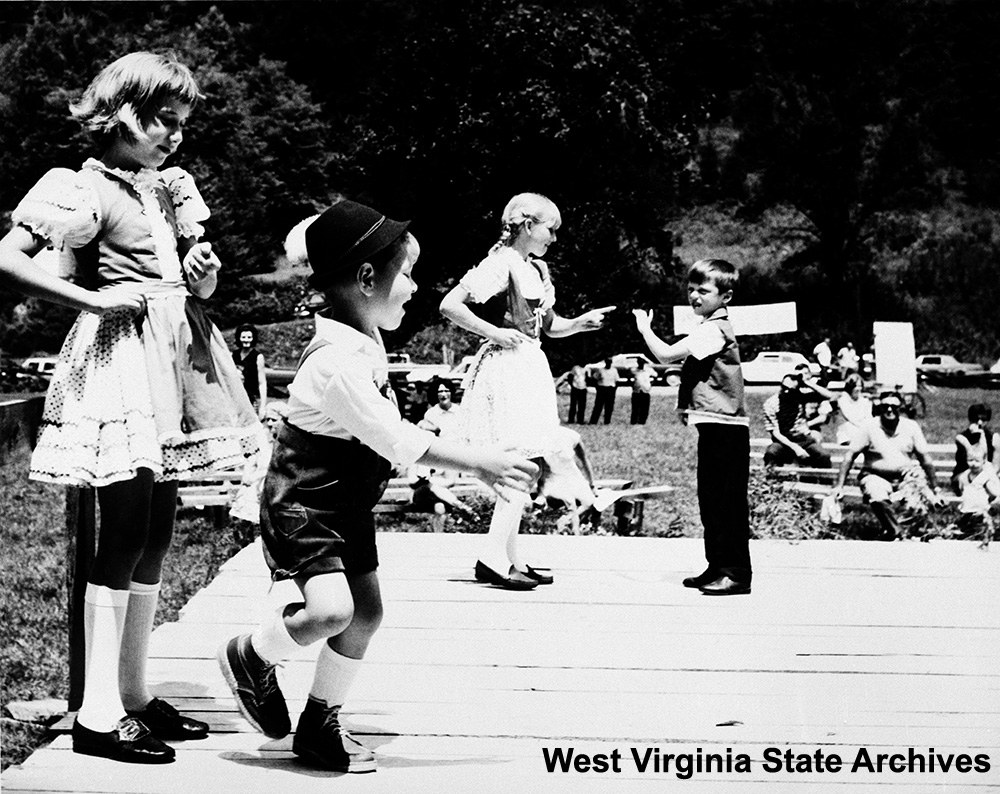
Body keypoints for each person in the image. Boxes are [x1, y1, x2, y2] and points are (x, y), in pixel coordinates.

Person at [0, 52, 261, 763]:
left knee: (157, 527)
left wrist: (203, 283)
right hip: (122, 356)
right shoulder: (78, 187)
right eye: (160, 120)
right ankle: (97, 711)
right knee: (121, 526)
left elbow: (183, 283)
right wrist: (90, 299)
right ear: (118, 115)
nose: (173, 135)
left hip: (175, 359)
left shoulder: (169, 188)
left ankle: (133, 692)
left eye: (181, 123)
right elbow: (8, 257)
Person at [217, 201, 537, 773]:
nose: (415, 288)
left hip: (345, 500)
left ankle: (320, 723)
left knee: (366, 615)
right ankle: (253, 653)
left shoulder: (360, 335)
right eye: (407, 274)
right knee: (332, 611)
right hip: (306, 502)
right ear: (367, 278)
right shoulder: (334, 360)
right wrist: (480, 463)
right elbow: (393, 437)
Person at [439, 192, 613, 589]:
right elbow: (452, 305)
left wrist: (578, 324)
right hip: (507, 367)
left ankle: (508, 558)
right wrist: (494, 332)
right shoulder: (502, 263)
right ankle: (492, 558)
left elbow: (548, 325)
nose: (554, 237)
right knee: (518, 464)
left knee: (526, 461)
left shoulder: (537, 269)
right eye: (550, 229)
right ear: (526, 224)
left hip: (530, 363)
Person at [632, 258, 751, 596]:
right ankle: (717, 565)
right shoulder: (708, 327)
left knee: (727, 503)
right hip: (714, 425)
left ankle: (737, 572)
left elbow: (667, 355)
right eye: (691, 289)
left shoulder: (715, 329)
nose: (694, 296)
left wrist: (644, 328)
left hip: (727, 427)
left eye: (704, 290)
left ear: (725, 297)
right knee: (711, 499)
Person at [833, 391, 942, 541]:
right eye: (885, 406)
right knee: (876, 494)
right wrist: (839, 486)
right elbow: (850, 456)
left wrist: (936, 488)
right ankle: (897, 532)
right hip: (875, 475)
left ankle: (911, 531)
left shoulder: (911, 426)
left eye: (893, 406)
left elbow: (925, 459)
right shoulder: (869, 426)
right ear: (879, 408)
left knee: (919, 497)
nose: (889, 410)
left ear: (901, 408)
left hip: (905, 476)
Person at [762, 371, 836, 467]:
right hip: (783, 441)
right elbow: (776, 433)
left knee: (823, 456)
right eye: (784, 388)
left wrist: (808, 383)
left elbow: (830, 396)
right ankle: (772, 479)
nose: (786, 391)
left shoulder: (800, 397)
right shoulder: (771, 404)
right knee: (771, 453)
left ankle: (824, 481)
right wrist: (795, 448)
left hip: (803, 439)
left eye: (791, 389)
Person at [953, 452, 999, 548]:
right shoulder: (963, 476)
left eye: (977, 461)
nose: (973, 464)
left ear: (983, 462)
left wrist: (987, 507)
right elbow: (962, 491)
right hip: (966, 511)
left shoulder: (985, 478)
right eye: (970, 460)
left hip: (979, 513)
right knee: (963, 536)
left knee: (979, 535)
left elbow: (995, 494)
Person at [951, 403, 998, 495]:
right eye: (976, 419)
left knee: (988, 482)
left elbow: (995, 465)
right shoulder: (962, 438)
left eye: (983, 419)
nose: (979, 423)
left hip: (987, 475)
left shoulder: (994, 438)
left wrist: (982, 436)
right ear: (970, 419)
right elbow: (972, 453)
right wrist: (977, 436)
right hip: (964, 474)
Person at [232, 323, 268, 420]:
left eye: (249, 337)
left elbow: (262, 383)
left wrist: (263, 407)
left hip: (250, 400)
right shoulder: (233, 355)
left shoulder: (258, 357)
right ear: (239, 338)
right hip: (235, 400)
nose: (246, 340)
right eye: (243, 337)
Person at [835, 373, 873, 446]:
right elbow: (851, 418)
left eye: (860, 386)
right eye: (855, 386)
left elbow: (869, 417)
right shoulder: (843, 400)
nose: (858, 389)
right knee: (848, 426)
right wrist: (863, 427)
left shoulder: (865, 401)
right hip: (849, 430)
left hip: (863, 428)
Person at [589, 358, 618, 424]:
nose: (609, 363)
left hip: (610, 389)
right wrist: (597, 388)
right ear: (605, 362)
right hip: (602, 389)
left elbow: (616, 380)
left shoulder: (614, 370)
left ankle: (607, 421)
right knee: (598, 406)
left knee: (609, 407)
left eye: (610, 362)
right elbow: (594, 378)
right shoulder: (600, 370)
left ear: (611, 362)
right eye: (607, 361)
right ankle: (593, 421)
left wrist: (614, 389)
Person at [630, 358, 653, 425]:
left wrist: (651, 384)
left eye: (642, 362)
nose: (641, 364)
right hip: (636, 391)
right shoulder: (634, 370)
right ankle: (634, 421)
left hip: (645, 391)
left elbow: (655, 375)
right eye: (639, 362)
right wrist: (632, 385)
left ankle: (642, 422)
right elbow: (629, 377)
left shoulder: (649, 370)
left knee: (645, 408)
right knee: (635, 408)